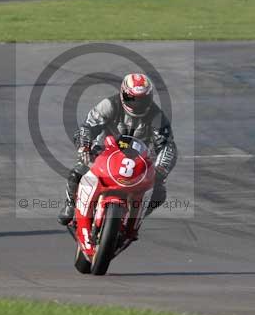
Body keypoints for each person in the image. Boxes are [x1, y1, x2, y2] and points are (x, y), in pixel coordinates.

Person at [57, 73, 177, 226]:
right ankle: (71, 205)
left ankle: (135, 219)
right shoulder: (110, 105)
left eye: (142, 100)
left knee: (159, 193)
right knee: (77, 173)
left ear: (150, 97)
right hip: (104, 152)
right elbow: (88, 126)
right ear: (123, 94)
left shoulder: (156, 116)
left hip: (137, 160)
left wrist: (160, 169)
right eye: (132, 99)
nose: (137, 104)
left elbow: (167, 145)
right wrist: (84, 145)